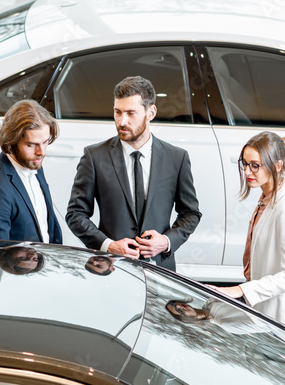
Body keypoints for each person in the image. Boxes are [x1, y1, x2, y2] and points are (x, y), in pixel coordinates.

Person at [66, 76, 201, 271]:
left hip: (161, 270)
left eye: (131, 113)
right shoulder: (94, 156)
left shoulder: (177, 158)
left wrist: (166, 241)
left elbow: (191, 213)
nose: (122, 121)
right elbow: (76, 214)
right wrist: (108, 246)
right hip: (111, 268)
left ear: (151, 112)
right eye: (117, 112)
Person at [214, 132, 285, 333]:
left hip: (281, 321)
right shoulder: (267, 198)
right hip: (264, 315)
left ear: (277, 166)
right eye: (245, 164)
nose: (248, 171)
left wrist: (239, 290)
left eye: (255, 165)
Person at [0, 100, 63, 244]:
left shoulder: (33, 164)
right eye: (31, 145)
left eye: (45, 142)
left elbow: (47, 226)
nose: (41, 152)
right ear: (11, 142)